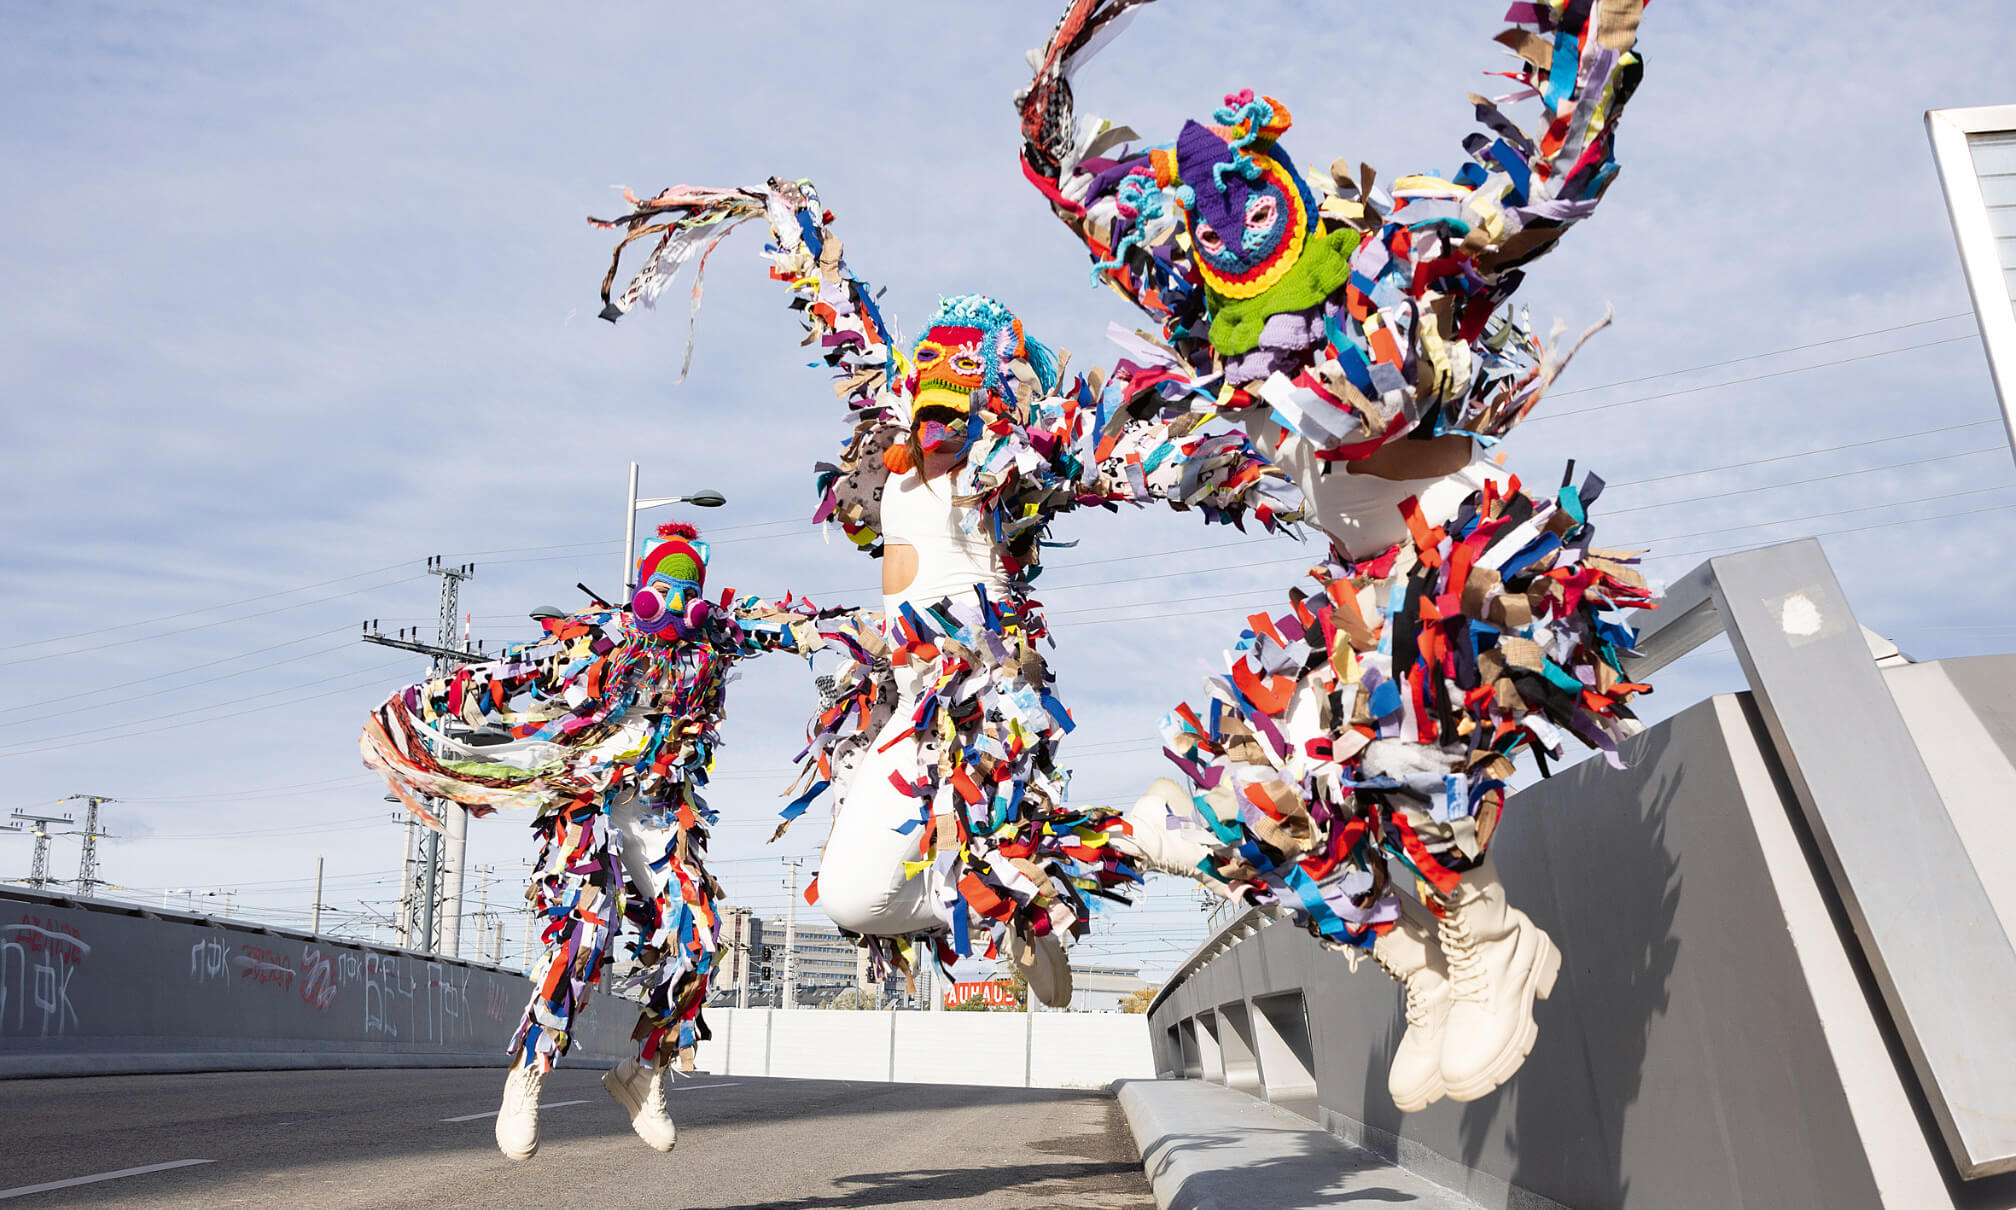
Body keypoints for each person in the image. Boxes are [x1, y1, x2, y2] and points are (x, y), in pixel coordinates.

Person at [1015, 0, 1655, 1107]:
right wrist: (1052, 109)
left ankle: (1486, 935)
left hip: (1477, 558)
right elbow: (1103, 215)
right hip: (1361, 584)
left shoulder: (1400, 270)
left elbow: (1542, 177)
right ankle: (1421, 966)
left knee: (1405, 696)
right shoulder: (1216, 334)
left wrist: (1585, 39)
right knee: (1238, 784)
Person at [588, 183, 1303, 1006]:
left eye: (963, 377)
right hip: (909, 687)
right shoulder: (897, 427)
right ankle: (1028, 892)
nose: (938, 394)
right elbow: (842, 317)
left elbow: (1133, 461)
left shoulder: (1009, 462)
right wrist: (784, 216)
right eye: (932, 369)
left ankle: (1124, 844)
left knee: (956, 851)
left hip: (979, 689)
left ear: (990, 392)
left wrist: (1268, 477)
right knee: (852, 895)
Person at [360, 523, 832, 1159]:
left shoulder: (713, 641)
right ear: (642, 589)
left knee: (702, 942)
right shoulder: (601, 637)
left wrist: (865, 635)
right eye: (663, 586)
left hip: (661, 810)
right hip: (586, 797)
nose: (674, 601)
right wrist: (411, 706)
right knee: (585, 928)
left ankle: (642, 1073)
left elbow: (788, 626)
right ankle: (527, 1076)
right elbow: (508, 677)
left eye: (687, 590)